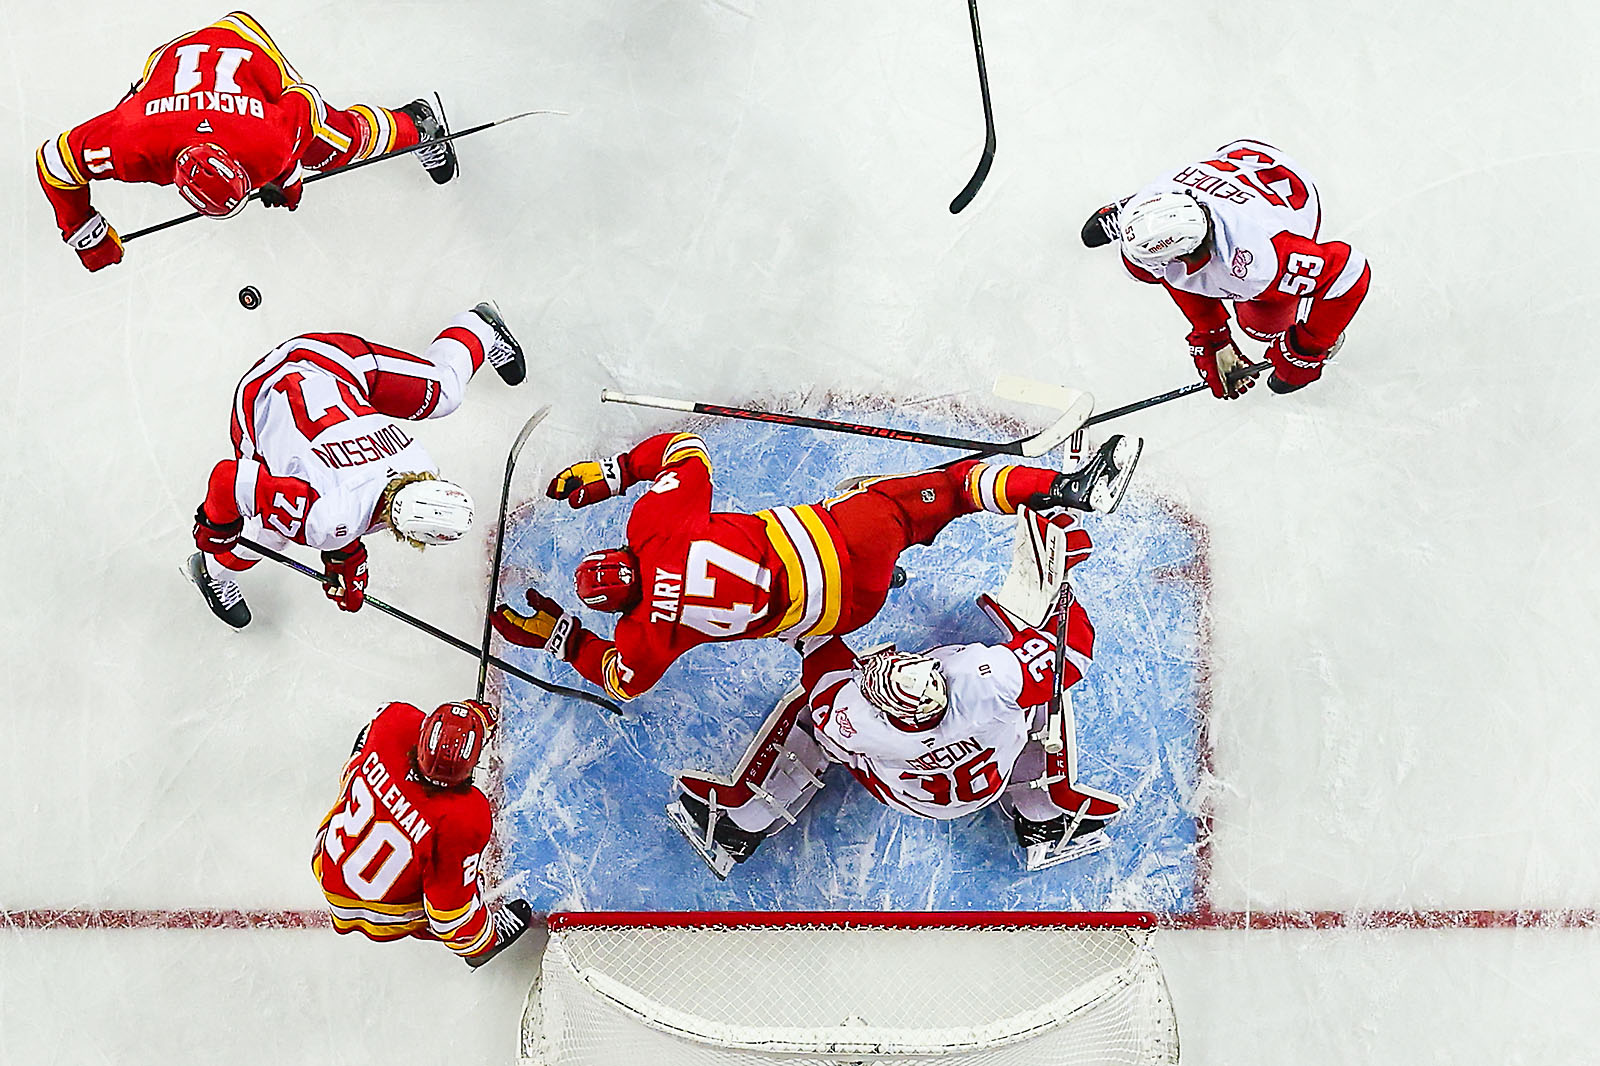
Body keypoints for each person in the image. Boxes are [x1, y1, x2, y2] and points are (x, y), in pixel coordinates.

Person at [489, 430, 1142, 702]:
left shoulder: (644, 635)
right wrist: (614, 473)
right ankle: (1065, 487)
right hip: (851, 538)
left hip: (847, 612)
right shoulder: (655, 527)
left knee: (803, 637)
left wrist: (561, 637)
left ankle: (873, 619)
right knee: (949, 487)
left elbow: (622, 681)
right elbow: (687, 450)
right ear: (622, 554)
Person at [665, 510, 1124, 878]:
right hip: (991, 776)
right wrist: (1062, 586)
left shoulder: (853, 716)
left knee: (808, 717)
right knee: (1042, 692)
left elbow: (816, 645)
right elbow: (1073, 650)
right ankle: (1044, 816)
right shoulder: (985, 681)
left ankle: (740, 823)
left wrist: (785, 601)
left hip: (907, 794)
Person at [36, 10, 458, 272]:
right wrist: (83, 232)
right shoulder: (133, 144)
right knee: (132, 110)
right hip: (173, 62)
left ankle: (417, 123)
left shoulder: (265, 145)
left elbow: (306, 100)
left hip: (247, 47)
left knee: (333, 147)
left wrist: (287, 173)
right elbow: (53, 162)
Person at [186, 303, 525, 628]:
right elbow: (228, 480)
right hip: (263, 397)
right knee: (267, 536)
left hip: (337, 365)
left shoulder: (419, 462)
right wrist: (216, 531)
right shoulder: (324, 519)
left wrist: (345, 557)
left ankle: (479, 327)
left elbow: (349, 499)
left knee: (445, 391)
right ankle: (211, 570)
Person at [1081, 138, 1371, 397]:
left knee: (1262, 328)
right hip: (1232, 163)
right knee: (1139, 267)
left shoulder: (1265, 258)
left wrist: (1308, 347)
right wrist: (1211, 331)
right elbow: (1174, 274)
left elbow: (1349, 274)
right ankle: (1133, 211)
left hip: (1286, 191)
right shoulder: (1157, 196)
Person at [313, 697, 533, 968]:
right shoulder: (464, 817)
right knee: (456, 882)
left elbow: (400, 726)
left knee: (363, 764)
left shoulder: (392, 720)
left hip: (327, 865)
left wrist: (467, 718)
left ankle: (365, 763)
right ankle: (479, 946)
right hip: (382, 914)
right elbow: (449, 915)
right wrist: (480, 940)